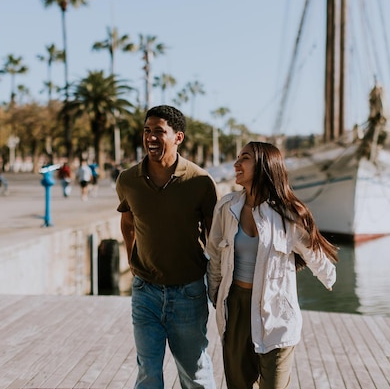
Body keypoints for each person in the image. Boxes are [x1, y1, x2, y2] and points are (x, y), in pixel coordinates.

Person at [206, 141, 338, 389]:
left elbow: (313, 252)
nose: (236, 164)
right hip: (235, 308)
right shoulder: (227, 208)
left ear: (264, 166)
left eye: (244, 158)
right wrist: (216, 295)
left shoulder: (288, 214)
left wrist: (329, 279)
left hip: (277, 314)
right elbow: (214, 255)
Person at [116, 105, 218, 389]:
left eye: (159, 131)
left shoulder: (200, 181)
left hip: (188, 293)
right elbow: (127, 224)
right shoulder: (127, 180)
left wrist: (219, 283)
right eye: (147, 131)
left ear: (178, 137)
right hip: (145, 292)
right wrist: (132, 261)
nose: (150, 137)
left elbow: (214, 235)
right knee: (148, 373)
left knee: (194, 374)